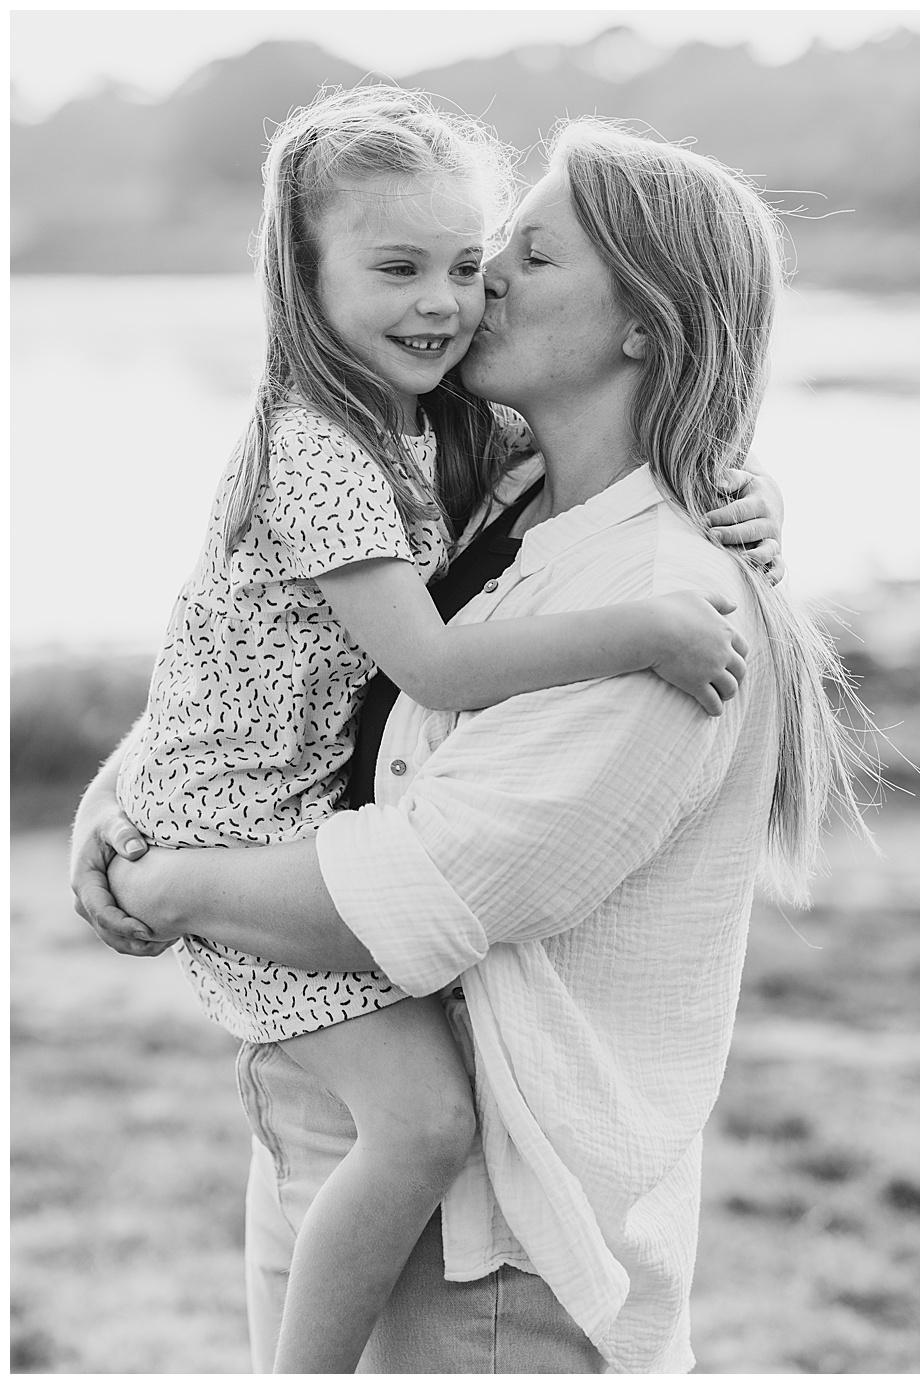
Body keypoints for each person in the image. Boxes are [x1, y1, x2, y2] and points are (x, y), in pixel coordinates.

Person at [71, 113, 856, 1373]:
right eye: (476, 252)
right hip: (342, 1130)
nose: (475, 284)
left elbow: (408, 895)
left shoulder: (669, 600)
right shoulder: (489, 477)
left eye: (522, 259)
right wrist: (121, 792)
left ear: (642, 323)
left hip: (493, 1243)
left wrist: (158, 879)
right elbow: (269, 659)